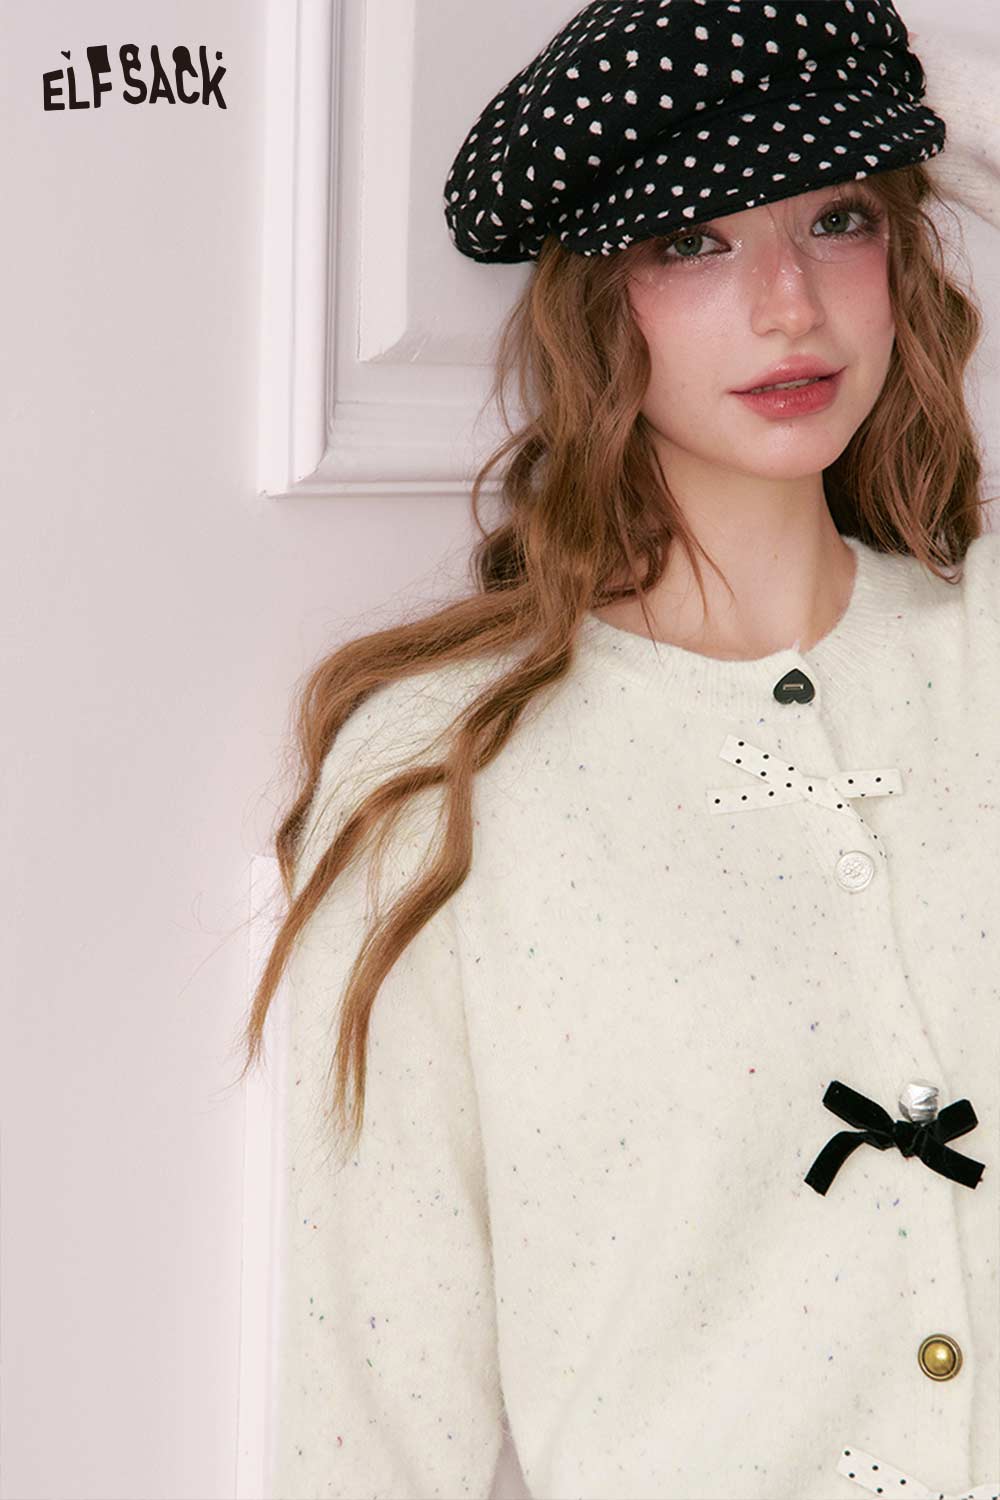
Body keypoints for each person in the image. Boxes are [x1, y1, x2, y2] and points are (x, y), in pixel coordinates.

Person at [239, 4, 1000, 1497]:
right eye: (693, 244)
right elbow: (375, 1401)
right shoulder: (445, 774)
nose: (788, 307)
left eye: (837, 219)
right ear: (593, 304)